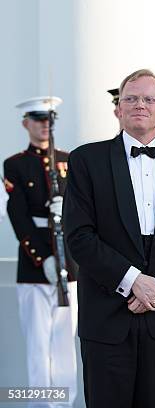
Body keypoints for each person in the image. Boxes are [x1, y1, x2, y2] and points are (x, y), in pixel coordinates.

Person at [63, 69, 155, 408]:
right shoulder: (86, 160)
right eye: (130, 98)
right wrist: (133, 282)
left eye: (148, 98)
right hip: (106, 317)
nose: (139, 105)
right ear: (118, 109)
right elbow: (79, 235)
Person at [4, 96, 78, 407]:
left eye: (50, 119)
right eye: (38, 119)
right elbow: (18, 217)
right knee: (38, 344)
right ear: (26, 123)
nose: (45, 125)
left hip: (68, 264)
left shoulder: (69, 160)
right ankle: (41, 403)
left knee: (64, 343)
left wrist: (68, 209)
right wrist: (42, 258)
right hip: (35, 267)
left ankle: (64, 402)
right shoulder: (16, 165)